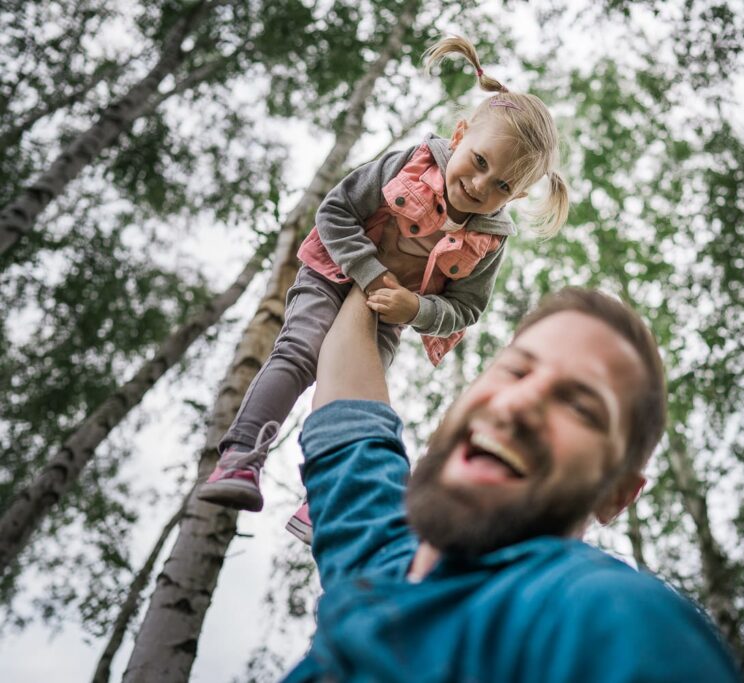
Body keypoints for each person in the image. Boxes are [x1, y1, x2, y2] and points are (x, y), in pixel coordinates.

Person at [196, 36, 570, 543]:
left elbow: (466, 309)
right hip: (333, 274)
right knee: (302, 352)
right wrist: (371, 274)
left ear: (518, 196)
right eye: (479, 161)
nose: (482, 186)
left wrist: (415, 306)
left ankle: (328, 500)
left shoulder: (488, 240)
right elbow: (335, 211)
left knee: (355, 395)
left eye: (502, 186)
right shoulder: (409, 166)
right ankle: (241, 455)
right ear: (460, 135)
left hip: (390, 313)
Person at [282, 285, 743, 682]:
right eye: (516, 371)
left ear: (616, 494)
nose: (517, 403)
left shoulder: (612, 620)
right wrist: (380, 263)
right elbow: (351, 424)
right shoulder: (379, 560)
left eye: (580, 407)